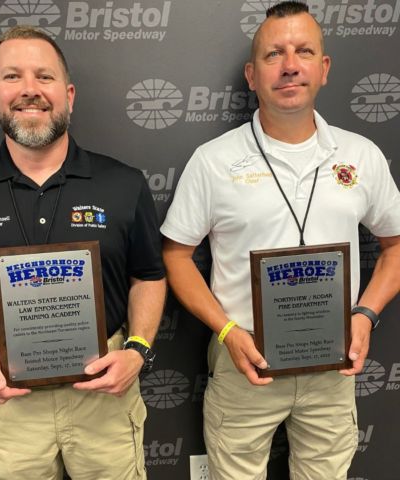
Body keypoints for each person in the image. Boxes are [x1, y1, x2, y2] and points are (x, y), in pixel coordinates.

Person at [161, 2, 400, 479]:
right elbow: (176, 254)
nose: (290, 65)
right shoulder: (212, 161)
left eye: (304, 51)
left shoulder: (361, 156)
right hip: (245, 362)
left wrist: (366, 313)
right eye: (274, 54)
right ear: (252, 75)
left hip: (334, 365)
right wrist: (226, 331)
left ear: (324, 68)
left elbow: (395, 244)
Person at [0, 25, 166, 480]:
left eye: (45, 77)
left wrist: (136, 349)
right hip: (9, 404)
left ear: (69, 94)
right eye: (13, 77)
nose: (30, 90)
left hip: (105, 396)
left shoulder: (123, 183)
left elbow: (149, 275)